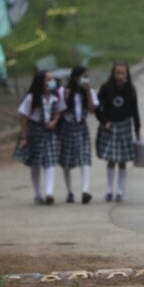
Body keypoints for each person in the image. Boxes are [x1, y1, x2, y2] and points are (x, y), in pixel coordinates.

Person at [14, 70, 66, 205]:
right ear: (40, 82)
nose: (51, 82)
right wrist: (24, 136)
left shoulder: (56, 96)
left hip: (49, 132)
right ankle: (37, 193)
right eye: (48, 80)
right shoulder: (31, 98)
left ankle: (49, 192)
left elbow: (60, 111)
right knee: (36, 163)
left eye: (52, 79)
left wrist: (54, 122)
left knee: (49, 161)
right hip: (35, 131)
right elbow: (22, 116)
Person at [96, 62, 141, 203]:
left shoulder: (130, 90)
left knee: (122, 160)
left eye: (123, 73)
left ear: (127, 74)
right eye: (118, 73)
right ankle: (109, 189)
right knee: (111, 159)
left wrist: (137, 130)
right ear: (113, 74)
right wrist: (104, 122)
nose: (120, 76)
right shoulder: (106, 88)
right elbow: (98, 107)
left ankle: (120, 190)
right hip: (110, 125)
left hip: (125, 126)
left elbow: (135, 112)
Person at [58, 66, 99, 204]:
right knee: (66, 161)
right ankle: (69, 191)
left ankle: (85, 190)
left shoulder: (89, 91)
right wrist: (65, 98)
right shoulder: (63, 91)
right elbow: (59, 110)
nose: (86, 79)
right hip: (67, 128)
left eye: (87, 76)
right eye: (84, 76)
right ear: (76, 78)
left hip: (81, 127)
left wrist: (87, 92)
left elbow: (92, 110)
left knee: (85, 158)